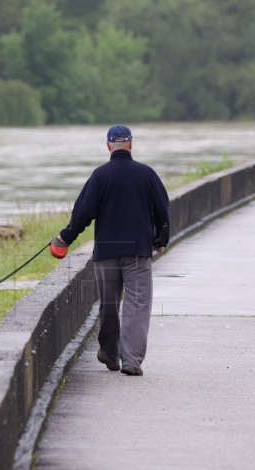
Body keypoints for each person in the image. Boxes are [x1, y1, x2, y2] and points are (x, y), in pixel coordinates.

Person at [52, 124, 170, 376]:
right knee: (137, 304)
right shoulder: (147, 174)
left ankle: (109, 353)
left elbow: (83, 212)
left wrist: (65, 238)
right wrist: (161, 239)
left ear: (108, 146)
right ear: (130, 144)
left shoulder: (100, 176)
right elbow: (163, 210)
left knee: (108, 304)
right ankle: (132, 360)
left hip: (106, 253)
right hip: (137, 251)